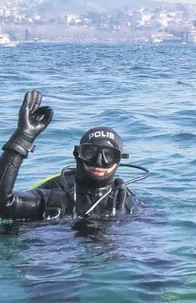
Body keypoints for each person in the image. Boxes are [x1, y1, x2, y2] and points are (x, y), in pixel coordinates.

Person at [0, 90, 142, 221]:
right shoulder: (50, 199)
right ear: (77, 155)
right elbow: (3, 205)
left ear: (118, 160)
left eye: (109, 156)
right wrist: (23, 138)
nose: (98, 162)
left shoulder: (128, 205)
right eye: (90, 153)